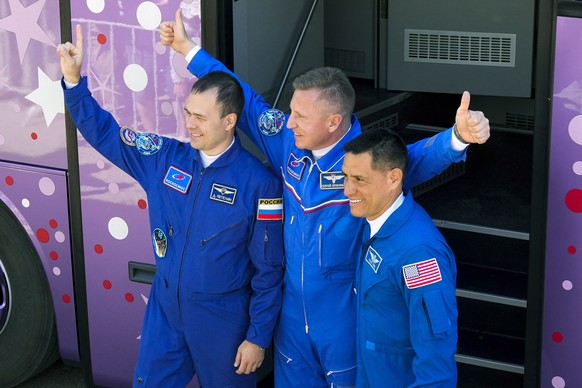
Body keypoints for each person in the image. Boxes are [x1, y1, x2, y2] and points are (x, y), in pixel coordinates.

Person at [160, 9, 489, 387]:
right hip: (291, 323)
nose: (290, 120)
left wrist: (458, 137)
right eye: (291, 111)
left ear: (334, 122)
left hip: (343, 322)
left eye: (301, 115)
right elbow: (244, 99)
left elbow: (415, 159)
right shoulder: (287, 140)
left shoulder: (368, 161)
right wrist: (188, 50)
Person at [58, 25, 284, 387]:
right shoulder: (163, 158)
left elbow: (269, 271)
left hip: (223, 318)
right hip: (166, 313)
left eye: (200, 117)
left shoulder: (260, 184)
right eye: (187, 112)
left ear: (229, 122)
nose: (189, 124)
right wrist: (74, 82)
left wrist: (257, 336)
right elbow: (104, 133)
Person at [342, 128, 457, 387]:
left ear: (394, 178)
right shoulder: (373, 219)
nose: (347, 189)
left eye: (359, 179)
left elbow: (436, 362)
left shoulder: (418, 254)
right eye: (346, 176)